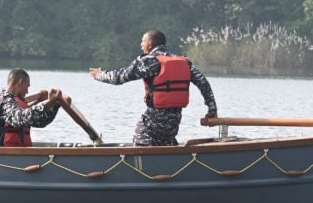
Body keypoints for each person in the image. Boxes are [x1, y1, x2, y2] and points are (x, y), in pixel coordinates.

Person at [89, 30, 217, 146]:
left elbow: (120, 77)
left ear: (150, 43)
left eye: (143, 41)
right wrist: (212, 108)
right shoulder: (184, 62)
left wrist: (100, 75)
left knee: (141, 141)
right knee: (165, 144)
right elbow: (203, 83)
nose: (141, 44)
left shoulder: (150, 61)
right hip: (174, 122)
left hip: (154, 120)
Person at [0, 68, 67, 147]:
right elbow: (21, 117)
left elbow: (41, 122)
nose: (27, 91)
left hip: (19, 152)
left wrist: (54, 105)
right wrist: (49, 102)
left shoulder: (14, 102)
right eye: (27, 86)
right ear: (21, 83)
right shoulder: (4, 100)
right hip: (3, 153)